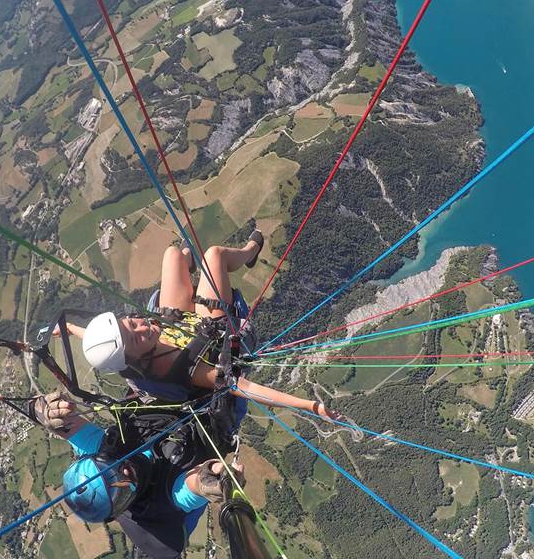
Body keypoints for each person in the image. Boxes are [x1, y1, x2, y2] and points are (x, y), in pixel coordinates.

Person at [54, 231, 342, 423]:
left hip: (175, 324)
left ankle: (185, 263)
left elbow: (107, 341)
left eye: (131, 322)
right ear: (136, 359)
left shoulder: (125, 357)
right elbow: (245, 388)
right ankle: (250, 251)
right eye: (137, 338)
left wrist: (69, 329)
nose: (142, 327)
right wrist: (310, 407)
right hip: (213, 333)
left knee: (171, 255)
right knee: (214, 255)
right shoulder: (185, 370)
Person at [31, 390, 243, 559]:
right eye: (122, 488)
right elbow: (195, 484)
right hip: (205, 425)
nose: (124, 473)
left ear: (100, 459)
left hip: (171, 402)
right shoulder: (163, 499)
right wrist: (218, 478)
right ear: (123, 505)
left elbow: (61, 423)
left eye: (112, 470)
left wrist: (43, 410)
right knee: (235, 404)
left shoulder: (102, 450)